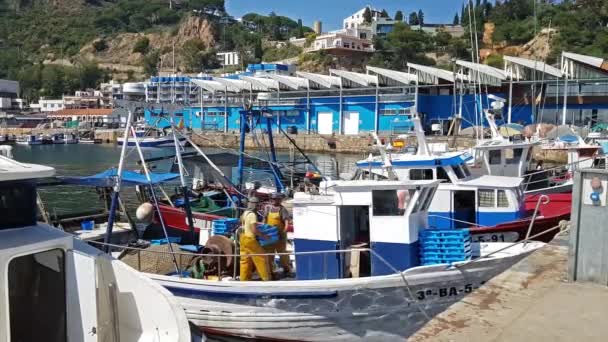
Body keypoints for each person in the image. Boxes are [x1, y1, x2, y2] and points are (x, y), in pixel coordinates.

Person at [239, 197, 271, 281]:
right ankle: (265, 278)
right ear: (255, 205)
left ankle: (244, 279)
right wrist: (264, 236)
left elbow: (242, 222)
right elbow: (254, 230)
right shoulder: (253, 215)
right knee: (262, 257)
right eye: (258, 205)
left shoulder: (245, 213)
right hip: (250, 239)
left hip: (243, 238)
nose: (259, 207)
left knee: (245, 260)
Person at [263, 193, 293, 276]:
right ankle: (271, 271)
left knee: (282, 253)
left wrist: (284, 231)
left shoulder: (282, 209)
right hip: (269, 235)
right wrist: (263, 230)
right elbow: (264, 220)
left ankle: (287, 269)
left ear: (279, 200)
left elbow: (286, 222)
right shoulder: (268, 208)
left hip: (280, 235)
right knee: (270, 253)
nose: (274, 200)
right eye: (273, 199)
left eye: (276, 199)